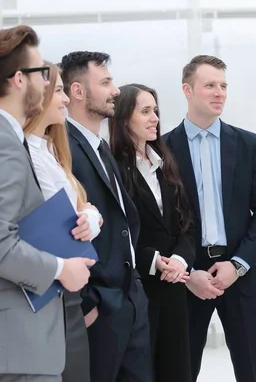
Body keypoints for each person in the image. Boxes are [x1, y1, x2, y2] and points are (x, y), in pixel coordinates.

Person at [163, 54, 256, 382]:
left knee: (253, 371)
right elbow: (162, 220)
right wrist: (188, 273)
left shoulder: (248, 144)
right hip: (187, 277)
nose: (219, 92)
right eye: (209, 85)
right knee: (179, 371)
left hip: (241, 276)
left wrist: (238, 263)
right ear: (187, 90)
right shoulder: (163, 149)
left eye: (223, 85)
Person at [0, 25, 93, 382]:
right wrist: (60, 269)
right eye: (42, 73)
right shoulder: (7, 144)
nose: (49, 83)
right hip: (19, 345)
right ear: (19, 80)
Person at [60, 51, 154, 382]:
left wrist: (135, 293)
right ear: (77, 91)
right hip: (99, 307)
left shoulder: (102, 148)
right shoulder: (61, 149)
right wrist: (85, 305)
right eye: (105, 82)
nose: (115, 90)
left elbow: (123, 223)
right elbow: (60, 230)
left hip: (130, 301)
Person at [23, 61, 103, 382]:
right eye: (58, 91)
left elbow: (83, 205)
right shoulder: (20, 152)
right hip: (42, 292)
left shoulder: (52, 152)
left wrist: (91, 218)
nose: (67, 99)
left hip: (69, 293)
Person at [110, 83, 195, 382]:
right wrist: (154, 260)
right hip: (138, 288)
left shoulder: (166, 163)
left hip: (174, 287)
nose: (155, 118)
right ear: (122, 119)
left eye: (155, 111)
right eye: (145, 111)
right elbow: (113, 234)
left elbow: (186, 223)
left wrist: (181, 261)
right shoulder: (113, 168)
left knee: (177, 371)